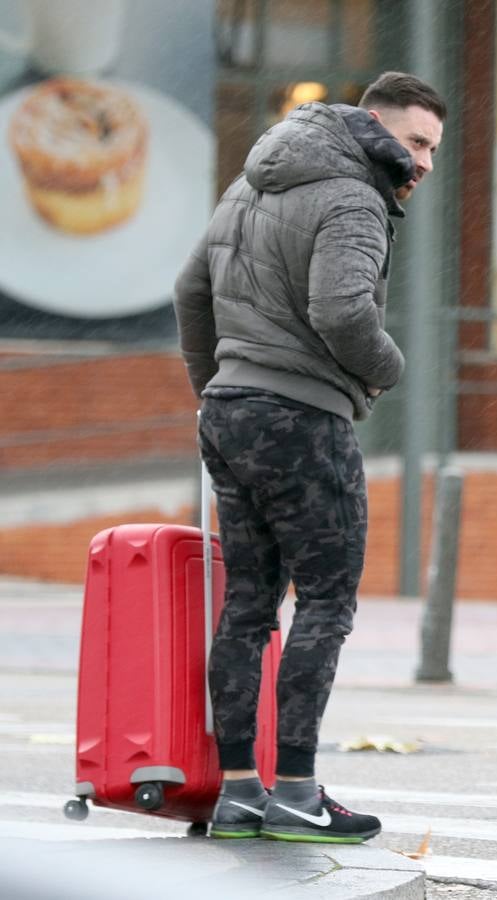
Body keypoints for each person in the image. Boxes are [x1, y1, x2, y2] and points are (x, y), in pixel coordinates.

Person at [173, 71, 445, 842]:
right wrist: (388, 370)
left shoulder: (248, 185)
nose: (423, 162)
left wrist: (218, 387)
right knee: (325, 602)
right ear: (372, 125)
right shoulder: (355, 196)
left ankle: (237, 794)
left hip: (229, 416)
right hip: (303, 417)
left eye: (432, 148)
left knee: (248, 605)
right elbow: (340, 310)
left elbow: (190, 290)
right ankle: (296, 789)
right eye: (416, 141)